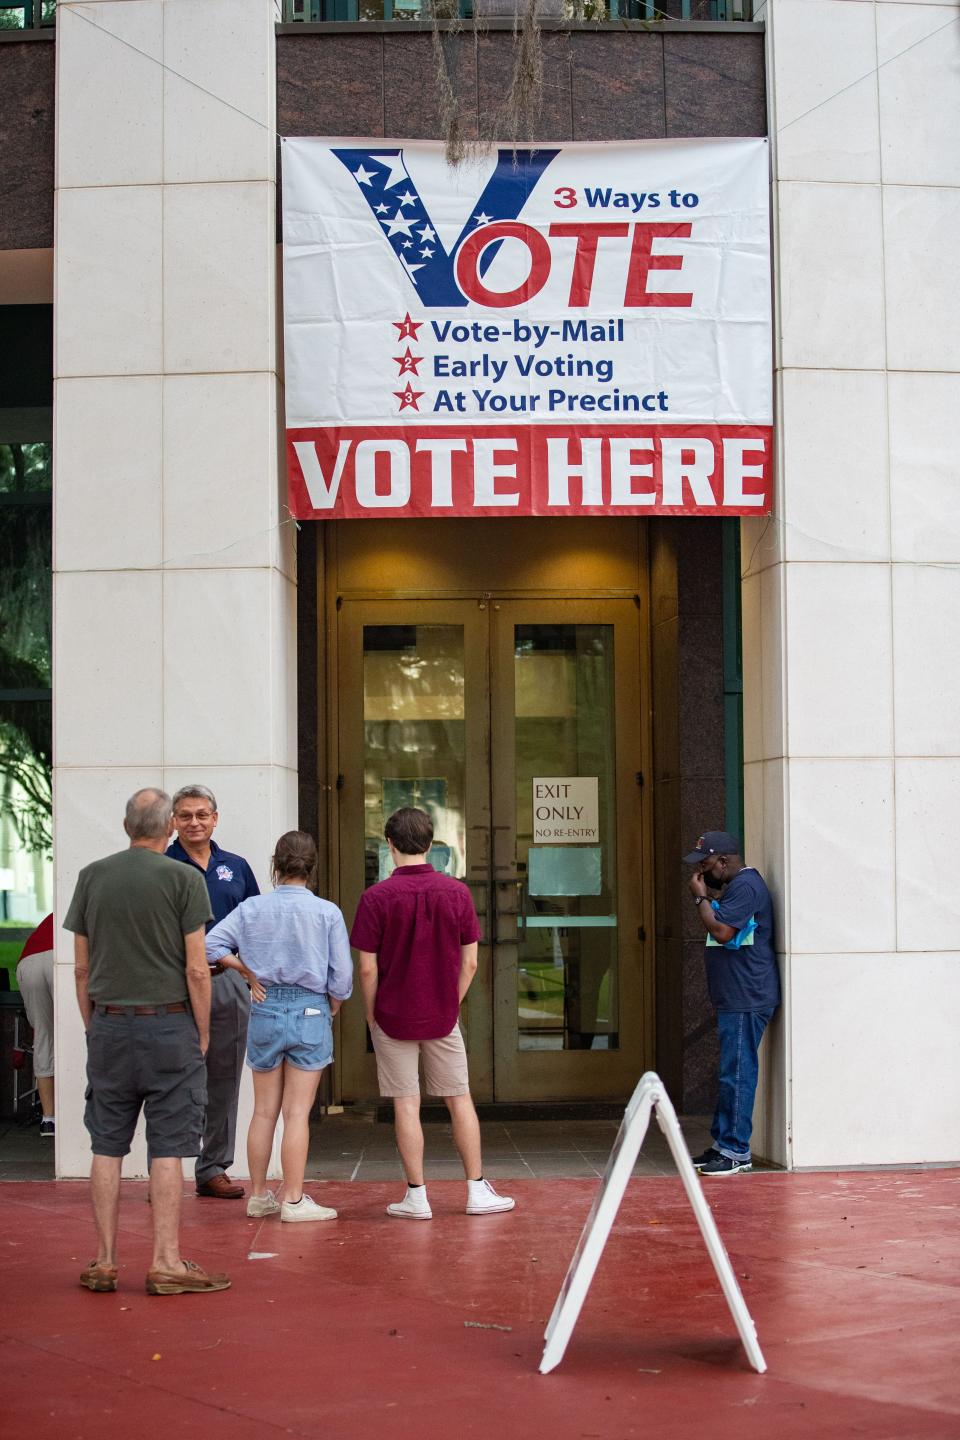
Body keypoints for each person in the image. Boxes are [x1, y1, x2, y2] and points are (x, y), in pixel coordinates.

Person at [64, 787, 229, 1295]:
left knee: (107, 1143)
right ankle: (165, 1261)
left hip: (111, 1025)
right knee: (169, 1145)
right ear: (170, 828)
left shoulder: (92, 877)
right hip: (169, 1026)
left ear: (125, 826)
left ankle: (105, 1259)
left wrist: (96, 1028)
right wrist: (201, 1031)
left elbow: (82, 968)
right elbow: (197, 969)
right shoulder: (184, 879)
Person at [350, 806, 514, 1220]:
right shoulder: (457, 893)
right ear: (430, 843)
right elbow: (471, 963)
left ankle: (417, 1196)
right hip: (441, 1016)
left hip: (392, 1015)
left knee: (407, 1104)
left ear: (390, 844)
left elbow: (367, 968)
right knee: (459, 1099)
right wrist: (449, 1000)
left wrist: (371, 1016)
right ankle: (476, 1190)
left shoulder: (375, 898)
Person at [205, 830, 353, 1223]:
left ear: (276, 864)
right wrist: (332, 1008)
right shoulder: (327, 912)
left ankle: (257, 1196)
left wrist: (244, 970)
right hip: (310, 1010)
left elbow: (209, 946)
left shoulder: (252, 909)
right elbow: (342, 978)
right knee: (298, 1113)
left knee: (263, 1111)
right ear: (313, 867)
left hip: (264, 1005)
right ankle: (293, 1199)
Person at [167, 785, 260, 1200]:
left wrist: (250, 977)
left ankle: (212, 1167)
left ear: (215, 818)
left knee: (223, 1078)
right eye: (185, 816)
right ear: (173, 821)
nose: (194, 823)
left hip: (226, 985)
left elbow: (255, 924)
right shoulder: (162, 865)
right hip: (175, 985)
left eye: (202, 815)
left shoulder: (235, 867)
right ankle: (165, 1171)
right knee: (171, 1078)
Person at [684, 830, 781, 1177]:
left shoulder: (746, 886)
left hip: (747, 996)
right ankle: (722, 1144)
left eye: (705, 865)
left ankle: (736, 1150)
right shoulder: (735, 886)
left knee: (737, 1074)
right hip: (735, 996)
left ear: (723, 862)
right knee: (729, 1073)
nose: (700, 874)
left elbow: (723, 932)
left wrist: (700, 899)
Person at [16, 912, 55, 1136]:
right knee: (75, 1035)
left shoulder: (54, 913)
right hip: (60, 960)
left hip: (28, 962)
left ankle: (49, 1119)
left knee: (43, 1038)